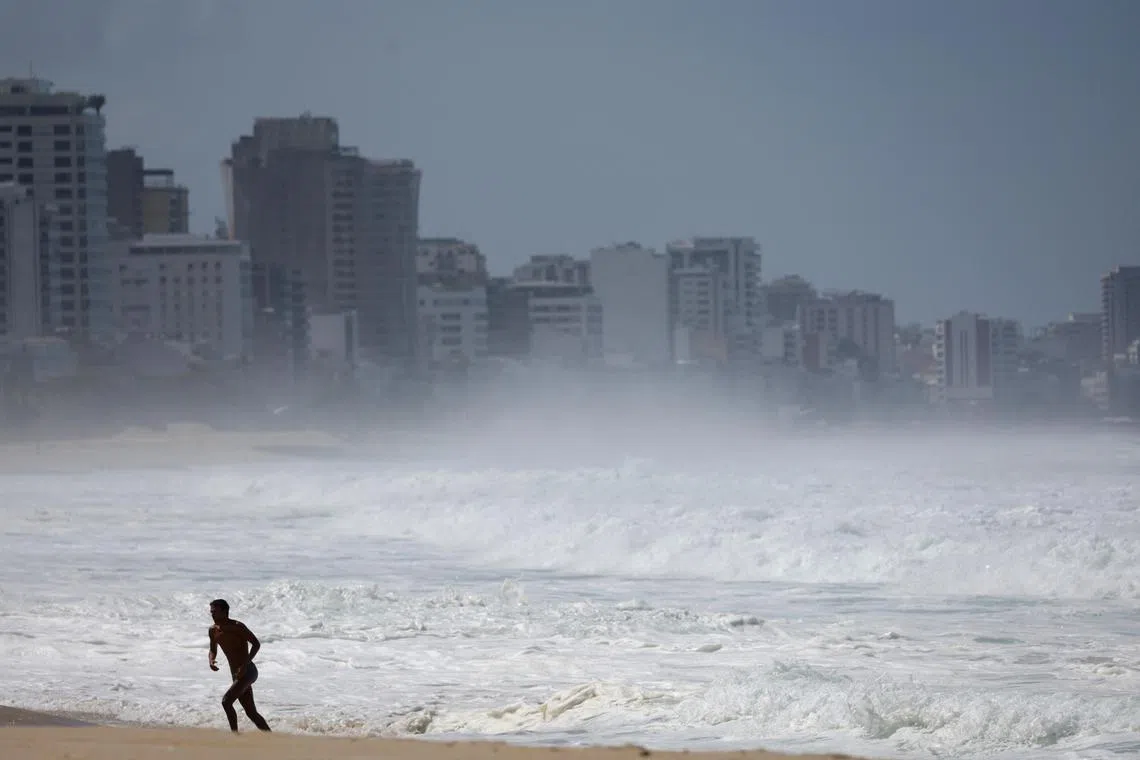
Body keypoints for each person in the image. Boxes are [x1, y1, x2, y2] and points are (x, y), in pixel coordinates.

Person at [208, 599, 271, 733]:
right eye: (211, 612)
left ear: (225, 611)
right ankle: (271, 738)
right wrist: (211, 660)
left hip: (248, 671)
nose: (212, 614)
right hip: (236, 674)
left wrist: (245, 664)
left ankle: (235, 736)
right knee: (251, 713)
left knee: (226, 701)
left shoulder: (237, 626)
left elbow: (256, 644)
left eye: (215, 612)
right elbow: (213, 649)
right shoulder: (213, 630)